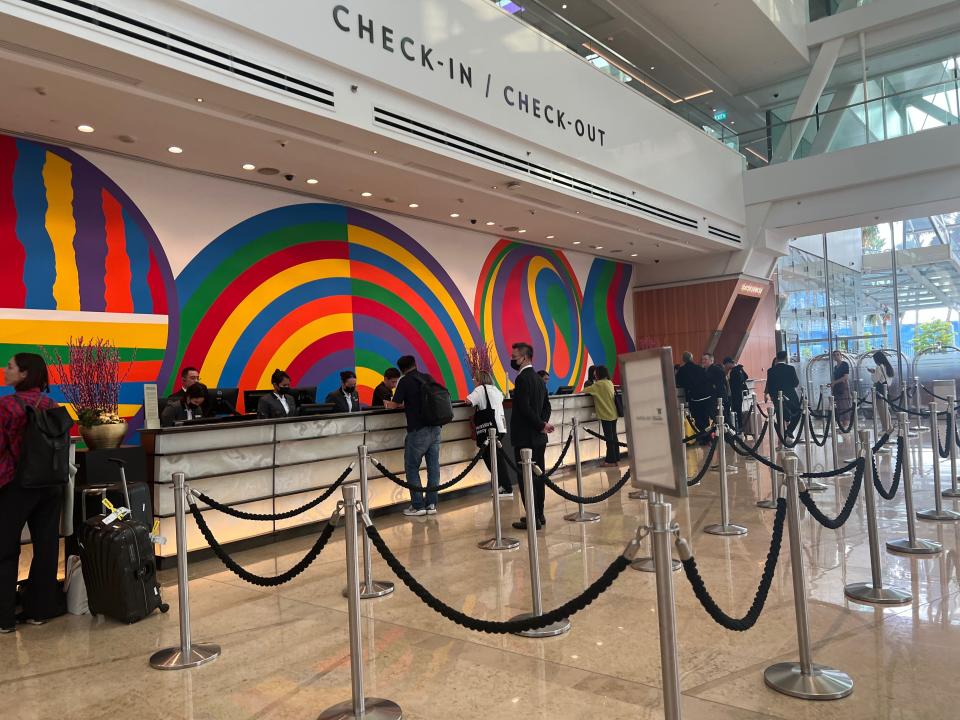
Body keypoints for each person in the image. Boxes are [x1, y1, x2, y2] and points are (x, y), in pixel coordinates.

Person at [0, 353, 63, 633]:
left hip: (15, 485)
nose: (6, 369)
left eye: (11, 366)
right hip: (50, 485)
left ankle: (4, 618)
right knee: (46, 547)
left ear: (24, 374)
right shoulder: (51, 404)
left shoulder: (7, 406)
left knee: (5, 550)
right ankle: (40, 610)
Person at [387, 356, 441, 517]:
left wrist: (388, 404)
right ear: (415, 364)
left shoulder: (404, 382)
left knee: (412, 468)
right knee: (433, 467)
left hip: (418, 430)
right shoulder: (427, 377)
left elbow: (395, 403)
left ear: (401, 369)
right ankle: (431, 504)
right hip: (435, 428)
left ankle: (418, 505)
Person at [508, 342, 554, 530]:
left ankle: (532, 517)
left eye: (514, 356)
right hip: (539, 438)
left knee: (525, 478)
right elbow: (547, 407)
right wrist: (542, 424)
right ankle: (539, 514)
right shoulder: (538, 379)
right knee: (538, 476)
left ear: (524, 358)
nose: (512, 360)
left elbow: (524, 408)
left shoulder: (522, 380)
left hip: (525, 438)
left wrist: (540, 424)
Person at [464, 370, 513, 496]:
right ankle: (503, 486)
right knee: (496, 458)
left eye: (475, 379)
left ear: (479, 380)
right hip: (500, 427)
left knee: (492, 459)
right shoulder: (496, 390)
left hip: (489, 429)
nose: (474, 382)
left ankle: (505, 487)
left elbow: (468, 401)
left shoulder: (480, 390)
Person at [584, 365, 620, 465]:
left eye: (596, 372)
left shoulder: (598, 385)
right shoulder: (609, 382)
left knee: (609, 438)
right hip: (613, 413)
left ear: (599, 373)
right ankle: (616, 458)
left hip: (605, 414)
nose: (594, 374)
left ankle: (610, 461)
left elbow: (584, 391)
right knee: (614, 437)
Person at [675, 351, 712, 435]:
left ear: (683, 360)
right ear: (692, 358)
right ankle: (708, 437)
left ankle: (702, 436)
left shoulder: (682, 370)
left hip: (694, 398)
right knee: (705, 418)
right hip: (705, 396)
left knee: (697, 418)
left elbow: (679, 382)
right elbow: (706, 379)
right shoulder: (699, 368)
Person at [765, 351, 802, 430]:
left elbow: (770, 384)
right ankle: (790, 430)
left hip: (776, 396)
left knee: (779, 414)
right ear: (785, 358)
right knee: (797, 412)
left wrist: (772, 396)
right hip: (790, 395)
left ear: (777, 358)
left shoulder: (770, 370)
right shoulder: (790, 368)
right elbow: (795, 383)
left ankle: (782, 435)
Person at [870, 350, 895, 431]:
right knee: (885, 409)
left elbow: (875, 379)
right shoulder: (888, 366)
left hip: (880, 389)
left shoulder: (879, 366)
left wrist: (872, 373)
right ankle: (889, 426)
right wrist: (875, 372)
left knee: (881, 409)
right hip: (886, 388)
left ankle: (885, 427)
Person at [723, 357, 749, 432]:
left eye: (725, 365)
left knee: (736, 411)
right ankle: (739, 427)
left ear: (728, 363)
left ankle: (737, 428)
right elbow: (746, 376)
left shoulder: (734, 371)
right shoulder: (740, 369)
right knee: (738, 411)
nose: (725, 366)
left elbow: (732, 384)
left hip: (734, 394)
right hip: (739, 394)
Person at [703, 353, 728, 423]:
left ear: (711, 360)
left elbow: (721, 384)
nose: (703, 361)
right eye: (703, 359)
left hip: (718, 399)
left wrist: (719, 398)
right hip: (710, 398)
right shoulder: (704, 370)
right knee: (713, 418)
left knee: (721, 418)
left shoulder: (716, 370)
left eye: (705, 359)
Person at [830, 351, 852, 427]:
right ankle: (842, 423)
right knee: (839, 406)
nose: (836, 356)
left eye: (837, 355)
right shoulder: (835, 367)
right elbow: (834, 377)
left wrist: (835, 382)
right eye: (834, 355)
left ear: (841, 355)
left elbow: (845, 377)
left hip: (843, 387)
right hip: (837, 388)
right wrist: (832, 384)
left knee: (844, 405)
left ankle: (846, 424)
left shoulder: (844, 364)